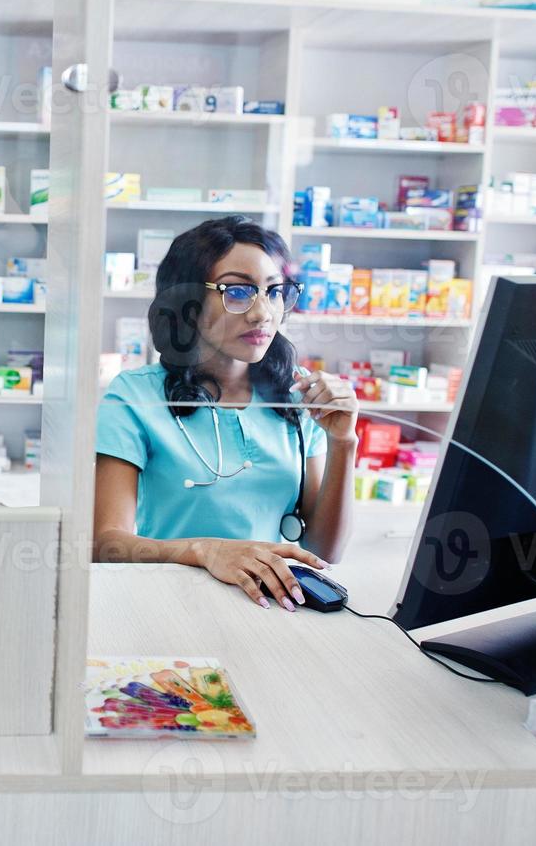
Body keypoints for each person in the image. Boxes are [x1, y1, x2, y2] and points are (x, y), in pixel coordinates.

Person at [93, 217, 359, 609]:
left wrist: (343, 442)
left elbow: (325, 549)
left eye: (274, 292)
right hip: (164, 603)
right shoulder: (136, 395)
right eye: (238, 291)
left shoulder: (299, 395)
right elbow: (106, 542)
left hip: (268, 608)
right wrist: (206, 551)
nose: (262, 313)